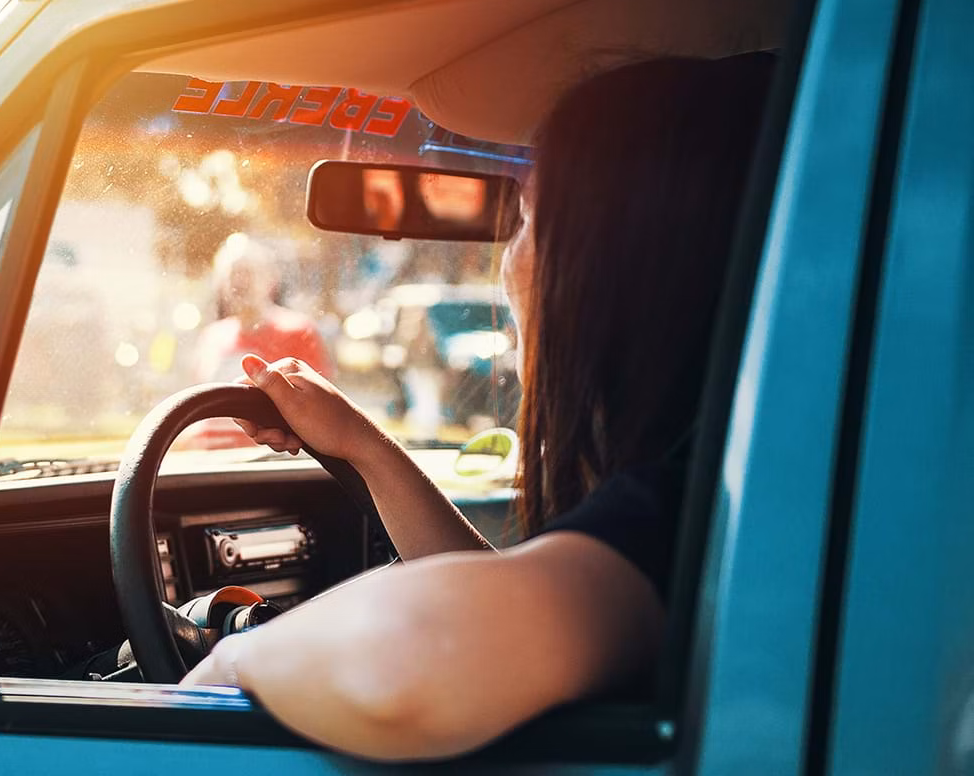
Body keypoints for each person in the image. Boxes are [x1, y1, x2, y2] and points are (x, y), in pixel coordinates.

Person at [181, 54, 775, 761]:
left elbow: (410, 660)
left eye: (525, 219)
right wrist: (365, 446)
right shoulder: (729, 479)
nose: (506, 261)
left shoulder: (673, 509)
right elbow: (509, 605)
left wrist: (228, 663)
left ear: (610, 266)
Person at [180, 234, 332, 450]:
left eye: (248, 272)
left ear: (270, 280)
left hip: (265, 464)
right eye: (233, 274)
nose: (240, 282)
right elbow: (200, 409)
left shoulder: (298, 330)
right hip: (209, 463)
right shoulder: (212, 337)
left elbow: (321, 412)